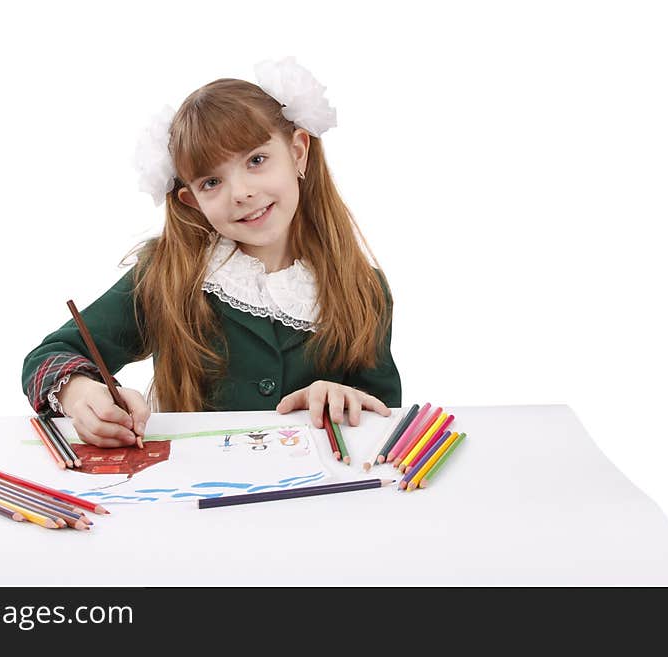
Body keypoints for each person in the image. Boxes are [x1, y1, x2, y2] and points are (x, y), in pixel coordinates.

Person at [21, 56, 402, 449]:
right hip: (199, 498)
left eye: (256, 160)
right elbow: (50, 356)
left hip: (316, 500)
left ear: (298, 152)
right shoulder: (167, 274)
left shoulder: (365, 289)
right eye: (212, 182)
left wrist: (347, 399)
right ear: (191, 200)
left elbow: (389, 422)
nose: (240, 193)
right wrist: (81, 394)